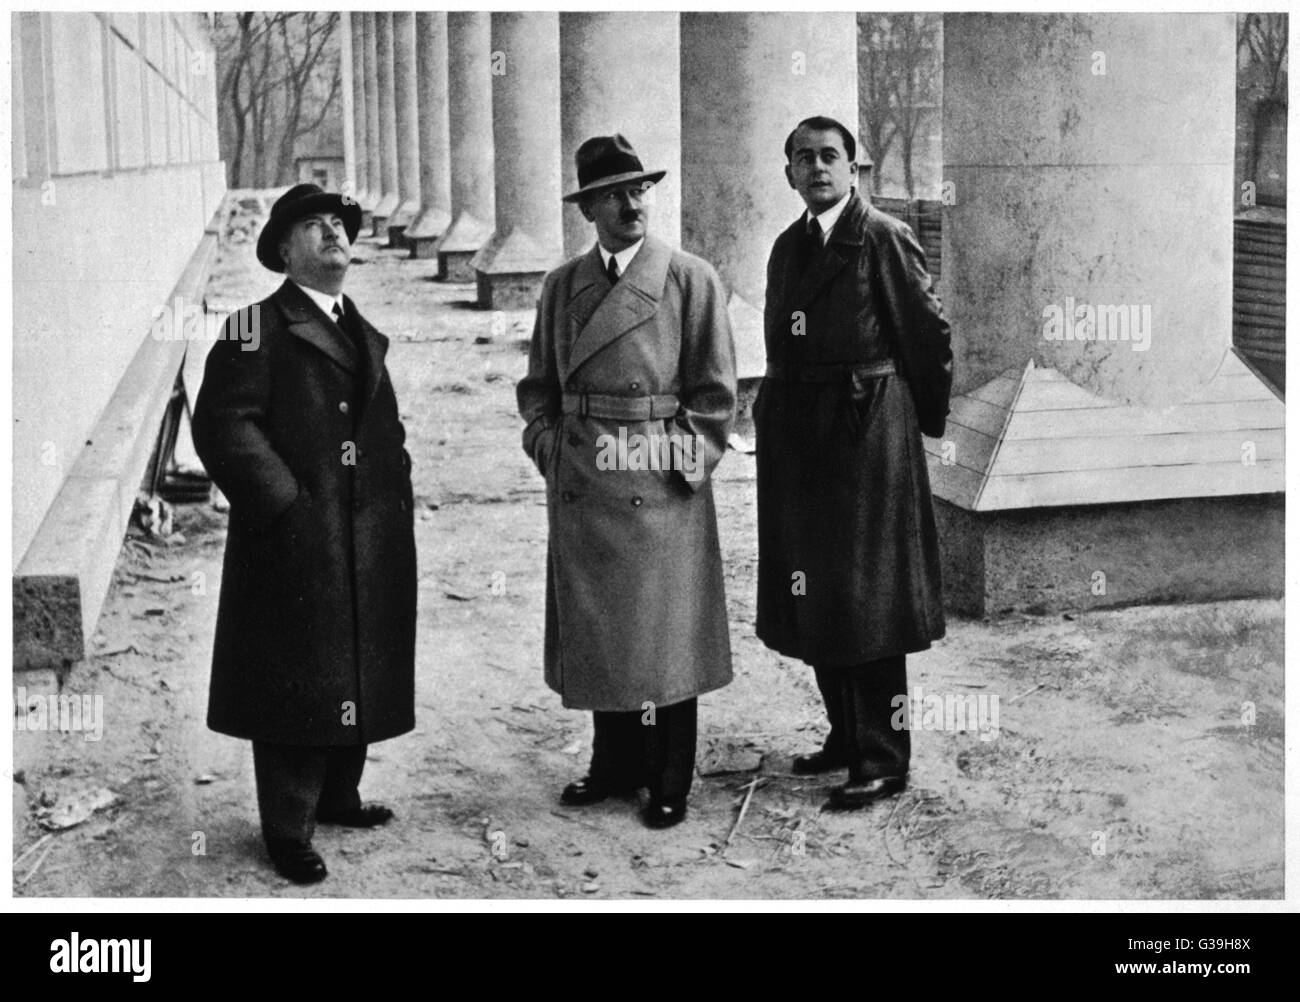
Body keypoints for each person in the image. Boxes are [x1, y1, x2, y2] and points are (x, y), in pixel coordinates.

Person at [192, 184, 417, 882]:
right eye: (313, 226)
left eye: (340, 225)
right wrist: (285, 505)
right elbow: (222, 427)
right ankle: (287, 827)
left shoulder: (356, 323)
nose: (333, 234)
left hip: (367, 532)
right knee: (294, 673)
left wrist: (394, 492)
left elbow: (384, 426)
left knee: (352, 659)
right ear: (282, 250)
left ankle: (338, 794)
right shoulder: (254, 326)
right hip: (295, 538)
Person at [517, 135, 737, 829]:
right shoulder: (561, 286)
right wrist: (551, 447)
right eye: (615, 193)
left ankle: (668, 776)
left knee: (664, 632)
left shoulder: (689, 278)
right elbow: (538, 390)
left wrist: (680, 460)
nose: (632, 203)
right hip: (584, 475)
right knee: (601, 628)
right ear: (589, 207)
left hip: (658, 484)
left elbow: (716, 394)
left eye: (640, 189)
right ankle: (612, 764)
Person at [755, 116, 953, 810]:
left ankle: (882, 756)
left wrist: (910, 426)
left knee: (869, 598)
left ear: (855, 167)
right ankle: (844, 735)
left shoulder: (882, 237)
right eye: (803, 158)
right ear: (789, 174)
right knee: (817, 591)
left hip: (867, 432)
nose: (817, 168)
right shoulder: (788, 247)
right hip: (802, 438)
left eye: (829, 156)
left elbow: (927, 336)